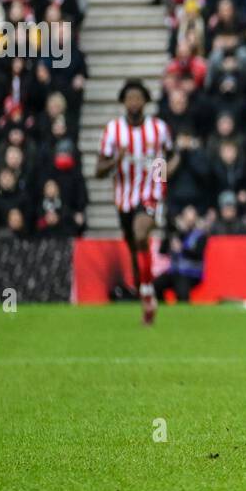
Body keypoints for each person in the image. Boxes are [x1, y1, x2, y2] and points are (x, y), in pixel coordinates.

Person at [96, 79, 175, 325]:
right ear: (123, 102)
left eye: (138, 98)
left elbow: (171, 155)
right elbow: (99, 170)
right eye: (129, 98)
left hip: (150, 193)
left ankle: (148, 293)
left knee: (141, 233)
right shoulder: (113, 131)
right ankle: (146, 294)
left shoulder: (159, 129)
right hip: (124, 198)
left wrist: (162, 178)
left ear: (145, 101)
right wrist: (116, 160)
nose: (134, 102)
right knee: (134, 248)